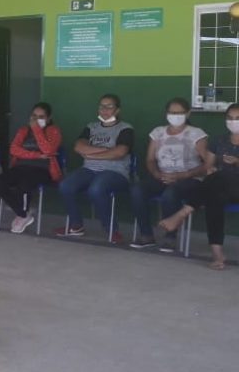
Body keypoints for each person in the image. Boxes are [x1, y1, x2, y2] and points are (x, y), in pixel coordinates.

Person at [159, 103, 239, 270]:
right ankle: (217, 253)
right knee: (213, 194)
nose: (233, 122)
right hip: (221, 188)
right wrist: (210, 169)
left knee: (216, 183)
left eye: (237, 118)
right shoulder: (219, 140)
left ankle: (181, 214)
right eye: (230, 118)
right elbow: (207, 165)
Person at [129, 98, 207, 252]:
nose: (175, 115)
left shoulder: (197, 134)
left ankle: (170, 237)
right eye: (172, 112)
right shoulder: (158, 132)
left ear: (188, 113)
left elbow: (207, 164)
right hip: (162, 176)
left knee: (170, 193)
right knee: (137, 189)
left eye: (179, 112)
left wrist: (182, 175)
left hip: (190, 178)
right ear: (166, 114)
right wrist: (156, 174)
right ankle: (146, 235)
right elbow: (150, 160)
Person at [56, 93, 134, 243]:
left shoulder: (125, 128)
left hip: (115, 172)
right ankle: (76, 225)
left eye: (109, 106)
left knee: (96, 189)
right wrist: (107, 150)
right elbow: (79, 147)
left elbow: (120, 152)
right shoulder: (91, 127)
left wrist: (92, 153)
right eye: (101, 106)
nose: (104, 110)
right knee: (66, 185)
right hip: (89, 169)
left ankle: (111, 229)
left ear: (117, 110)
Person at [0, 102, 63, 234]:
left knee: (24, 184)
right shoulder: (23, 130)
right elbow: (14, 149)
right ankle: (23, 213)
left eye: (41, 117)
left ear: (48, 119)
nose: (36, 120)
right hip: (21, 166)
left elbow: (48, 150)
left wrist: (37, 130)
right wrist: (36, 155)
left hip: (43, 169)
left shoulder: (54, 131)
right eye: (34, 116)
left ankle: (22, 214)